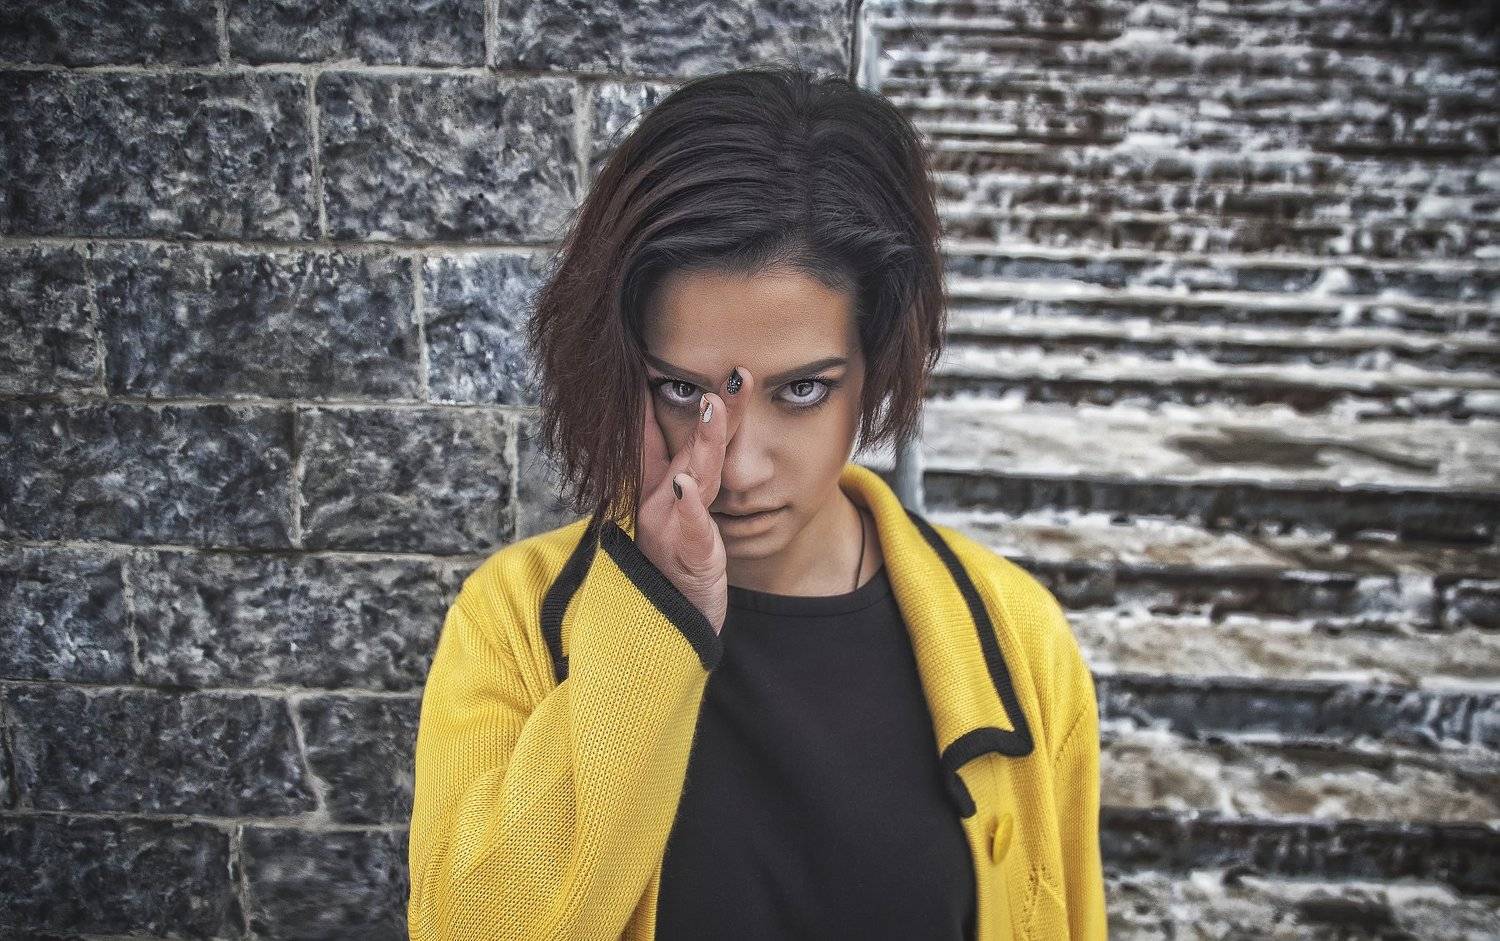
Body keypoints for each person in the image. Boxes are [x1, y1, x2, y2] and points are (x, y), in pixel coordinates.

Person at [406, 65, 1105, 940]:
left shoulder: (1017, 641)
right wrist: (653, 620)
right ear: (624, 372)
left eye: (802, 390)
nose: (736, 464)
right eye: (682, 389)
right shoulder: (513, 621)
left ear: (874, 366)